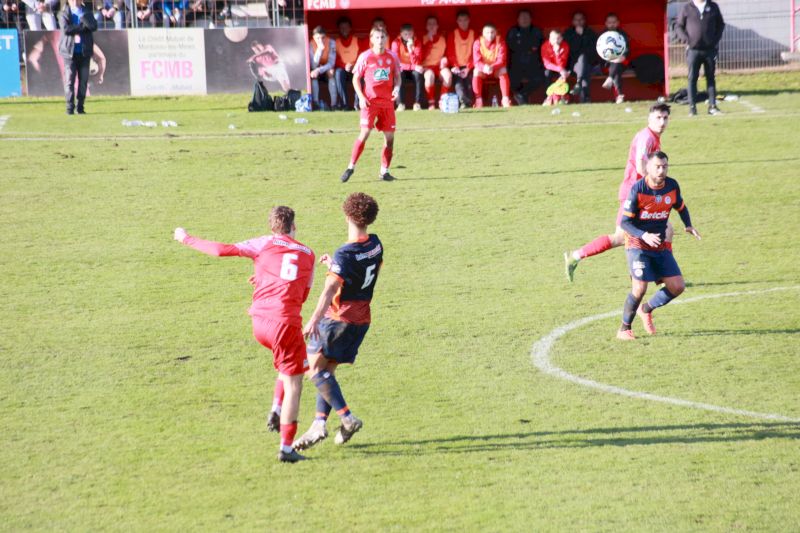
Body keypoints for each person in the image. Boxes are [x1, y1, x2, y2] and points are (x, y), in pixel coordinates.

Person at [172, 206, 316, 463]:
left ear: (272, 227)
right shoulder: (309, 253)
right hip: (285, 323)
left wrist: (186, 238)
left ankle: (276, 408)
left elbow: (221, 250)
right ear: (294, 226)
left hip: (259, 323)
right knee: (295, 382)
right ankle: (286, 448)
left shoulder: (263, 243)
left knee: (287, 363)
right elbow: (302, 295)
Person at [294, 192, 383, 451]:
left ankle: (347, 418)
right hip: (361, 319)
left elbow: (330, 289)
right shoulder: (375, 244)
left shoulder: (345, 252)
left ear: (346, 216)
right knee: (327, 371)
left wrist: (313, 320)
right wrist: (336, 266)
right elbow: (363, 273)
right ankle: (318, 424)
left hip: (338, 319)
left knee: (312, 369)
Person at [564, 103, 671, 281]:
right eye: (658, 118)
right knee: (626, 236)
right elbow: (640, 165)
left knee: (663, 229)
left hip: (639, 192)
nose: (662, 122)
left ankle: (661, 275)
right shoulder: (647, 138)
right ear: (649, 119)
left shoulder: (653, 137)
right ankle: (662, 275)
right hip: (634, 193)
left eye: (665, 118)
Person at [617, 151, 701, 340]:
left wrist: (688, 225)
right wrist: (644, 235)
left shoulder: (672, 185)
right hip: (637, 243)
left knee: (677, 286)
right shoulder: (638, 189)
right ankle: (624, 329)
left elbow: (680, 206)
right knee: (640, 288)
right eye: (657, 167)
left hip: (659, 245)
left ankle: (646, 309)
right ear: (648, 168)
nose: (661, 170)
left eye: (664, 166)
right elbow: (625, 222)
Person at [340, 26, 400, 183]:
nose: (380, 41)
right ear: (372, 39)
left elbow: (397, 76)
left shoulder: (392, 57)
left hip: (387, 103)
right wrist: (361, 97)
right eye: (377, 38)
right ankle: (350, 167)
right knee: (365, 133)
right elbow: (355, 79)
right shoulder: (365, 57)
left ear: (387, 39)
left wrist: (397, 88)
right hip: (370, 102)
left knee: (390, 138)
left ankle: (384, 172)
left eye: (382, 37)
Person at [674, 0, 725, 116]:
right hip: (693, 51)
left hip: (710, 50)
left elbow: (721, 24)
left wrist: (714, 40)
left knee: (710, 78)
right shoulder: (687, 8)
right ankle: (692, 108)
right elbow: (678, 26)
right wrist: (686, 40)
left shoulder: (713, 6)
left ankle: (712, 107)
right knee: (692, 78)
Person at [58, 0, 97, 115]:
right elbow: (66, 29)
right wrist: (83, 27)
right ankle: (69, 107)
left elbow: (93, 26)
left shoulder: (87, 12)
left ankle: (80, 107)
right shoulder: (63, 13)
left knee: (83, 81)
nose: (74, 1)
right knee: (69, 80)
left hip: (84, 52)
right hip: (69, 53)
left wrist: (82, 21)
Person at [505, 9, 544, 106]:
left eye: (526, 17)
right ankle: (521, 97)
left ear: (531, 19)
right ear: (517, 20)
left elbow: (540, 48)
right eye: (522, 17)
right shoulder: (513, 31)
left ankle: (522, 94)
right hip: (516, 64)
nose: (524, 20)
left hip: (533, 64)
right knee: (510, 79)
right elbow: (509, 48)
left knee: (541, 77)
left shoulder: (536, 31)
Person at [472, 23, 510, 108]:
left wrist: (492, 67)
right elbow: (476, 61)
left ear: (496, 32)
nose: (490, 35)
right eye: (487, 32)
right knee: (476, 71)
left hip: (495, 70)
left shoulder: (501, 42)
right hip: (484, 71)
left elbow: (501, 60)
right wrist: (484, 67)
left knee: (503, 69)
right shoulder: (478, 42)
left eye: (492, 32)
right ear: (483, 33)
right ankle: (478, 100)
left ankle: (505, 99)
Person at [563, 11, 597, 104]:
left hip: (589, 63)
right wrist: (578, 36)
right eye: (576, 20)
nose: (578, 22)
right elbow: (571, 49)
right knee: (584, 71)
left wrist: (583, 35)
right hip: (572, 64)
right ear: (572, 21)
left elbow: (592, 50)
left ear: (584, 21)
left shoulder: (590, 33)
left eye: (581, 19)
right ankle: (585, 99)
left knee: (584, 61)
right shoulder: (568, 33)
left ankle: (579, 82)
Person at [421, 15, 451, 110]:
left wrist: (445, 59)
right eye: (429, 24)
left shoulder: (442, 39)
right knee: (429, 76)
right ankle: (431, 102)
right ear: (426, 26)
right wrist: (429, 42)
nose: (432, 26)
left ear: (437, 26)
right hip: (427, 67)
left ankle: (442, 100)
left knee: (448, 76)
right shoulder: (422, 38)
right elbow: (420, 56)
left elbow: (448, 54)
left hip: (439, 66)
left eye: (434, 24)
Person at [446, 10, 475, 109]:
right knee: (458, 83)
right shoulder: (452, 34)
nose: (463, 23)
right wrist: (456, 66)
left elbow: (475, 54)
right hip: (456, 67)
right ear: (457, 21)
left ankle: (470, 103)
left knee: (470, 82)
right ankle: (463, 101)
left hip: (470, 66)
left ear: (469, 20)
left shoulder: (473, 34)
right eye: (460, 20)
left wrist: (468, 68)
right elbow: (450, 53)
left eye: (465, 20)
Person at [391, 23, 423, 111]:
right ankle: (400, 104)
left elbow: (417, 62)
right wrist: (412, 67)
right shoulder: (395, 43)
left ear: (413, 33)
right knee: (399, 74)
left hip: (413, 70)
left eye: (410, 34)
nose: (408, 36)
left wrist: (410, 49)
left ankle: (417, 103)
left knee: (418, 74)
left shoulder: (417, 42)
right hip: (402, 69)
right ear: (401, 34)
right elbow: (396, 63)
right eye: (405, 34)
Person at [600, 13, 629, 104]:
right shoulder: (602, 36)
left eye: (614, 22)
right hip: (607, 63)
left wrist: (622, 56)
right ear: (606, 23)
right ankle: (619, 95)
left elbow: (626, 50)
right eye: (609, 22)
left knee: (617, 63)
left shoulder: (622, 35)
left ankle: (610, 78)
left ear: (618, 23)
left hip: (621, 61)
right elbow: (599, 51)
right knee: (616, 69)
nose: (612, 24)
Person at [334, 16, 362, 110]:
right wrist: (344, 66)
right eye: (342, 28)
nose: (344, 30)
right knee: (338, 73)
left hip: (355, 68)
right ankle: (344, 104)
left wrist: (354, 66)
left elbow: (362, 56)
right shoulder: (336, 42)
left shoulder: (357, 40)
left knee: (360, 72)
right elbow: (335, 59)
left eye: (346, 27)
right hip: (343, 69)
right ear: (339, 29)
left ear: (350, 28)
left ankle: (357, 104)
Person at [309, 25, 337, 111]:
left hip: (326, 67)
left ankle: (333, 104)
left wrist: (319, 70)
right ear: (314, 37)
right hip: (316, 67)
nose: (320, 40)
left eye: (323, 38)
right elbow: (313, 65)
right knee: (313, 75)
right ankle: (316, 102)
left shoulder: (331, 43)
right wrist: (319, 50)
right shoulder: (310, 44)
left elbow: (331, 63)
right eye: (318, 38)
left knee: (331, 72)